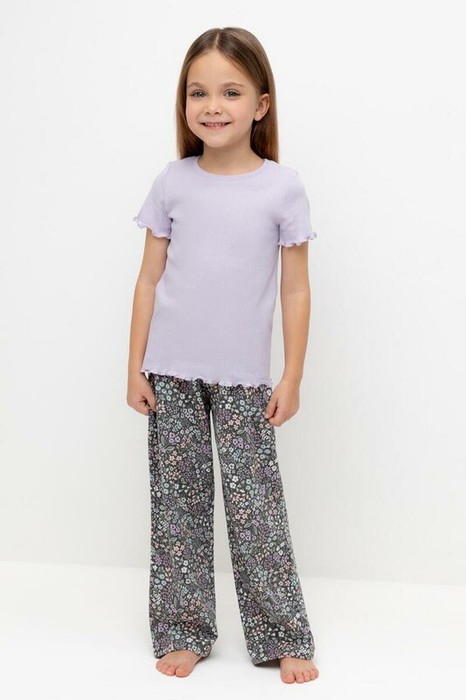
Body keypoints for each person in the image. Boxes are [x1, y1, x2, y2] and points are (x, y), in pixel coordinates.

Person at [127, 27, 320, 685]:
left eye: (231, 92)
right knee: (177, 510)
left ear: (261, 104)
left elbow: (295, 288)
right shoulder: (172, 182)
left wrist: (292, 374)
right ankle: (183, 630)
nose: (213, 106)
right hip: (170, 374)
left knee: (256, 510)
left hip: (245, 380)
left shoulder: (282, 188)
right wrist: (134, 367)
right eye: (198, 93)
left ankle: (282, 635)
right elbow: (149, 279)